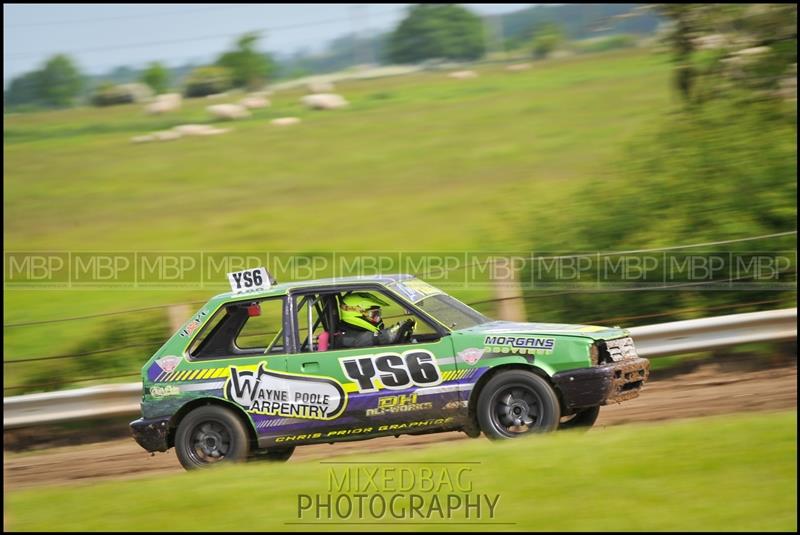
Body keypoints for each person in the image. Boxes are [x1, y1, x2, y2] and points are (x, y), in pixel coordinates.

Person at [337, 292, 415, 348]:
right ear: (356, 314)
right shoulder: (347, 337)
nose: (378, 318)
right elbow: (374, 337)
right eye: (374, 315)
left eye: (378, 314)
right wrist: (397, 328)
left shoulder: (357, 330)